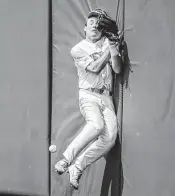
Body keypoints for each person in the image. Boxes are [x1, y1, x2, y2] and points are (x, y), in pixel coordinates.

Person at [54, 8, 122, 190]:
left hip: (106, 96)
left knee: (110, 139)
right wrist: (108, 51)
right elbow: (94, 68)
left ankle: (77, 166)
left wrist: (114, 50)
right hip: (88, 94)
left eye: (98, 23)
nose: (94, 25)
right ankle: (66, 159)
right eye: (91, 21)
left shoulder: (106, 43)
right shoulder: (78, 49)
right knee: (97, 125)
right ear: (84, 28)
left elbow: (117, 70)